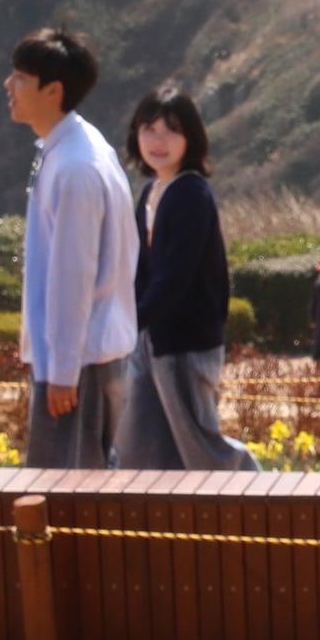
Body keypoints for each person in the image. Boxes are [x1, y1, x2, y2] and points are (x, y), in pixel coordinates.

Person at [6, 29, 138, 469]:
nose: (9, 86)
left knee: (70, 498)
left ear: (53, 90)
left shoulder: (76, 167)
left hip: (80, 364)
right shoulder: (74, 148)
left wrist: (63, 372)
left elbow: (72, 277)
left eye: (21, 78)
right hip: (85, 357)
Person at [116, 84, 258, 471]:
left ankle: (260, 489)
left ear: (190, 138)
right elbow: (140, 269)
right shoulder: (150, 192)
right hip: (151, 339)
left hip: (186, 341)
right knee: (139, 444)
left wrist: (130, 321)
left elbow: (174, 278)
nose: (157, 141)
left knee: (199, 444)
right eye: (148, 129)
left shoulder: (191, 194)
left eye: (170, 131)